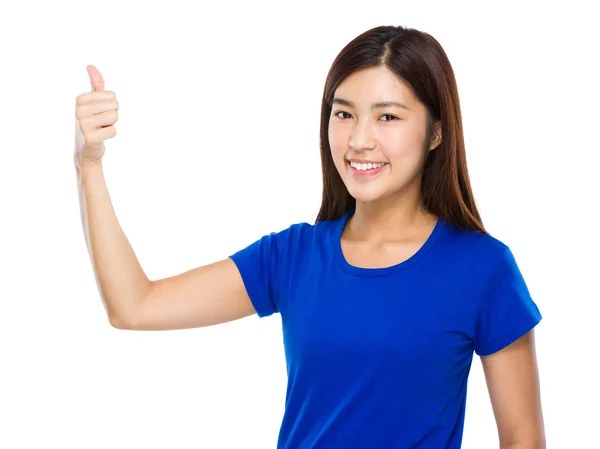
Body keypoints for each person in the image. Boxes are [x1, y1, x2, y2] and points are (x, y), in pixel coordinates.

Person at [74, 25, 545, 449]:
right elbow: (135, 306)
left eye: (387, 117)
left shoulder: (482, 269)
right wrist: (89, 164)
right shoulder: (293, 256)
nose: (359, 139)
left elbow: (523, 438)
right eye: (344, 114)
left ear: (436, 132)